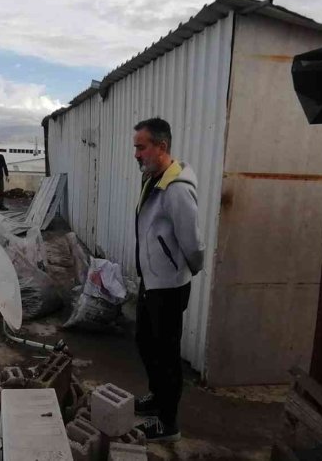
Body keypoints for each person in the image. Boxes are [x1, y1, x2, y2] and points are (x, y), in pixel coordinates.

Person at [132, 117, 205, 443]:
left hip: (169, 288)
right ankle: (158, 397)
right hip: (151, 282)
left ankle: (168, 423)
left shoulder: (176, 190)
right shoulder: (153, 179)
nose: (136, 153)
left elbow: (193, 244)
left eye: (141, 147)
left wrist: (183, 269)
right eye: (136, 147)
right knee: (146, 343)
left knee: (166, 355)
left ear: (161, 146)